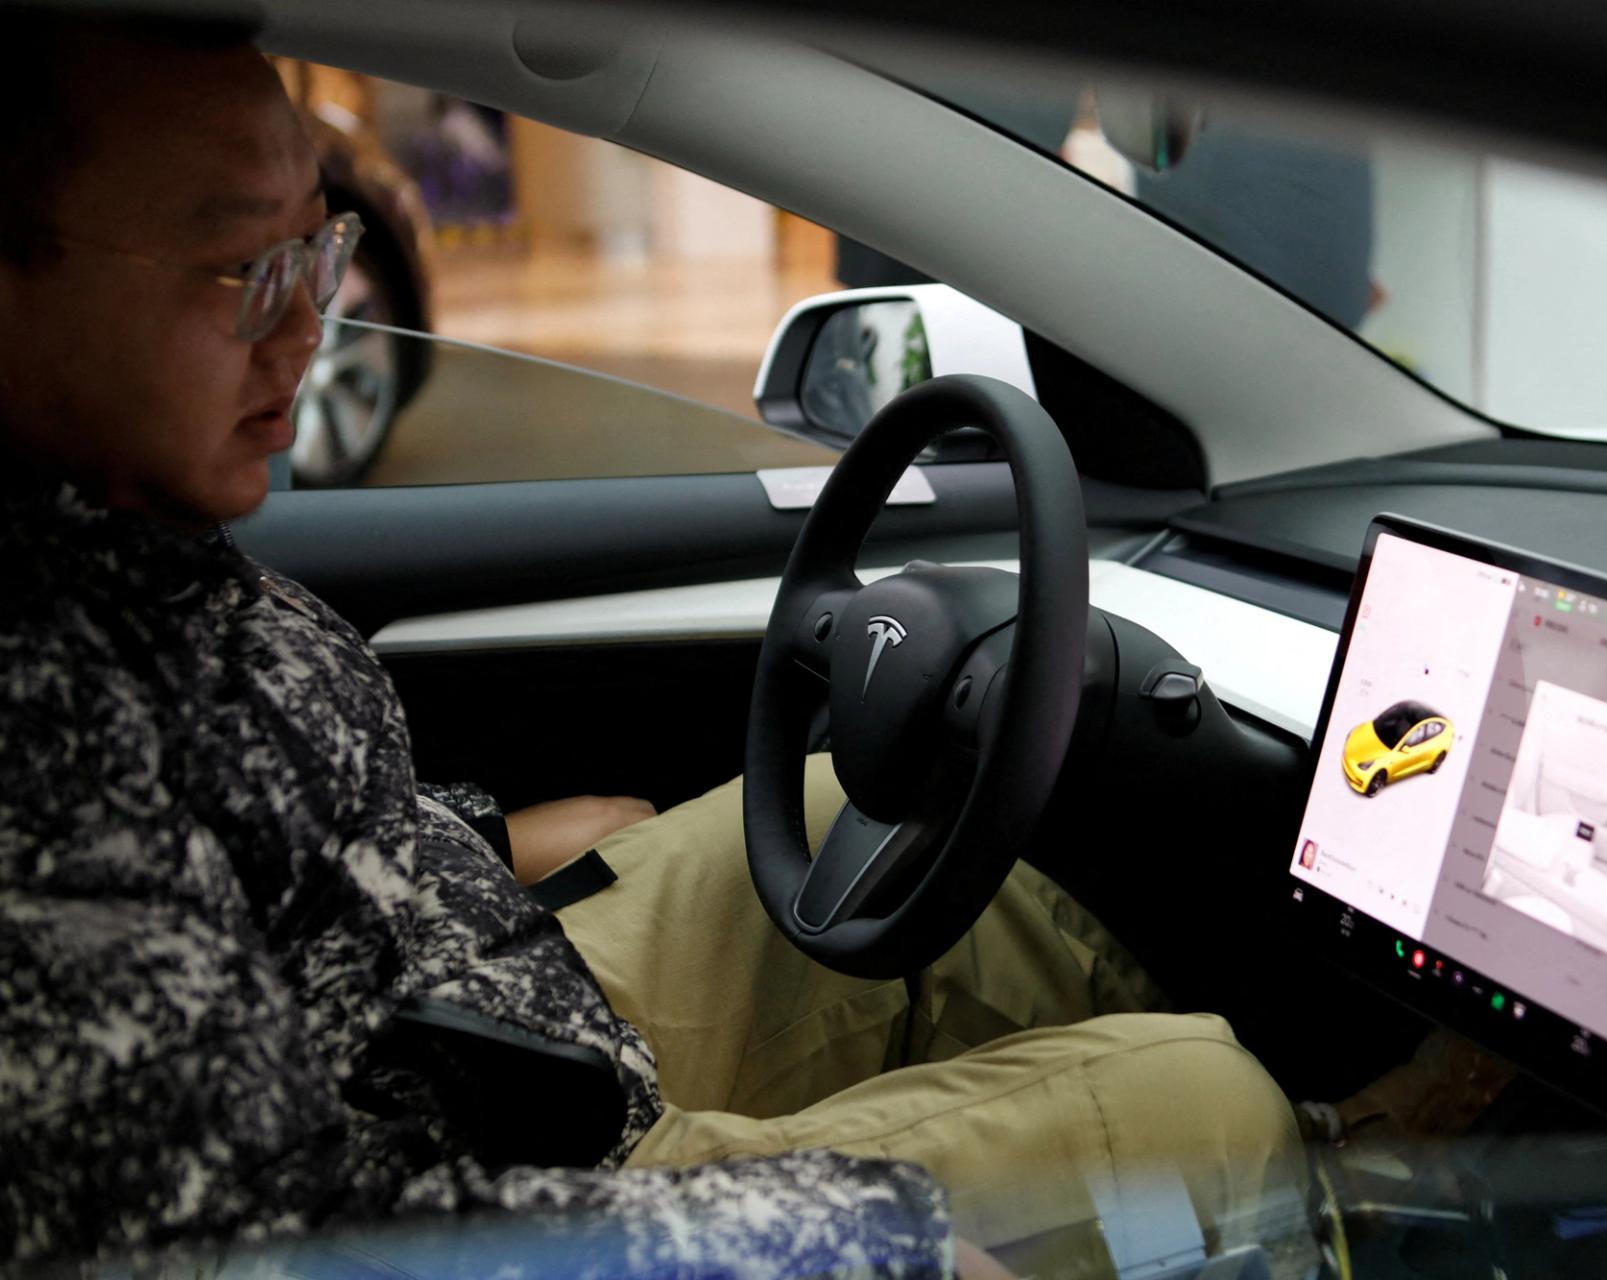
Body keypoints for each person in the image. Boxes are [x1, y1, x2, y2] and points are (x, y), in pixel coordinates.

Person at [0, 12, 1302, 1275]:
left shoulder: (125, 535)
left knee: (867, 817)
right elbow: (275, 1253)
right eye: (242, 270)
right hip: (475, 1196)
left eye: (319, 249)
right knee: (1208, 1106)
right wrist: (858, 1245)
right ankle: (1346, 1176)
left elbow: (256, 826)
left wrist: (475, 835)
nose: (307, 329)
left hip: (447, 1027)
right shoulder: (39, 751)